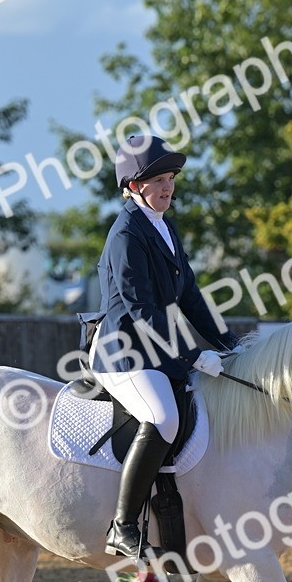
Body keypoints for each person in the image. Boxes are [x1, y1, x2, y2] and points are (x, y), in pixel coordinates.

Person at [88, 134, 239, 559]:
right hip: (123, 352)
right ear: (134, 186)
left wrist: (229, 343)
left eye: (170, 178)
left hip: (154, 349)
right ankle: (122, 526)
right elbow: (141, 309)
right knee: (164, 418)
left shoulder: (163, 225)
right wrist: (193, 355)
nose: (168, 186)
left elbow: (189, 295)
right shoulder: (126, 234)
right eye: (158, 180)